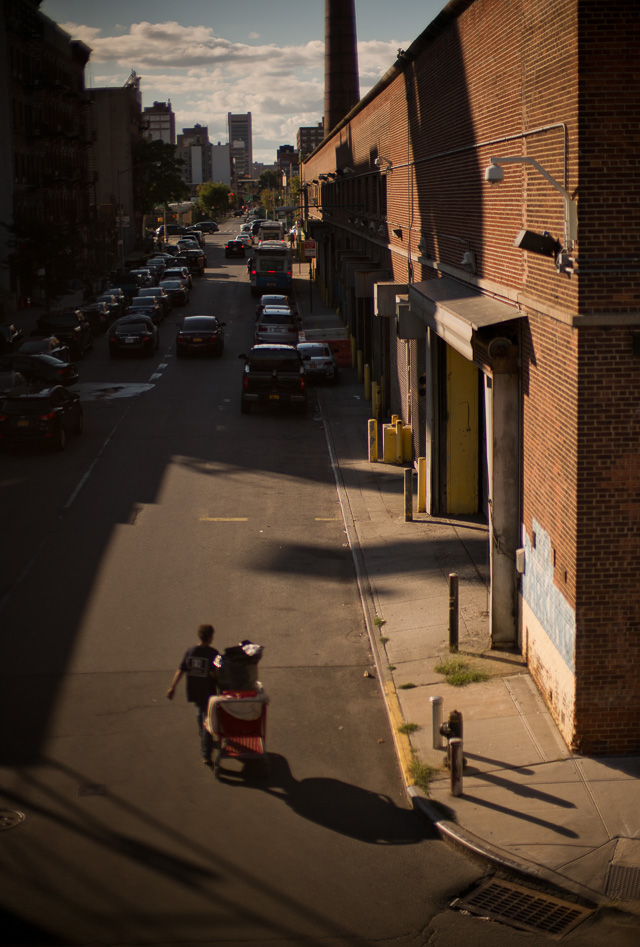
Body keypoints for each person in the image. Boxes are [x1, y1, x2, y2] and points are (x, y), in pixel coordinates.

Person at [167, 624, 219, 764]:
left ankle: (202, 735)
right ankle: (206, 754)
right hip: (208, 693)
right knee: (207, 720)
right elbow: (216, 674)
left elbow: (181, 669)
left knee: (199, 713)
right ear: (210, 637)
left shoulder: (190, 652)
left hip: (194, 691)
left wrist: (172, 687)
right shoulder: (213, 654)